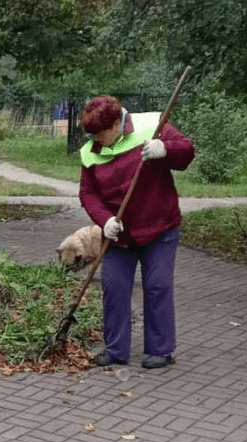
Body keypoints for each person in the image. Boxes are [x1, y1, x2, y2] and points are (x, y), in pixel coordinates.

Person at [78, 95, 195, 369]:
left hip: (159, 228)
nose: (96, 139)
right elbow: (88, 193)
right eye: (91, 134)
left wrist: (165, 149)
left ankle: (160, 350)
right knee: (114, 289)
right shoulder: (90, 152)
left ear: (117, 124)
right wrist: (104, 219)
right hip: (119, 236)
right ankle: (115, 350)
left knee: (157, 287)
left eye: (100, 134)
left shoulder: (152, 125)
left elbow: (186, 151)